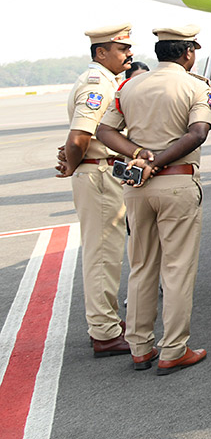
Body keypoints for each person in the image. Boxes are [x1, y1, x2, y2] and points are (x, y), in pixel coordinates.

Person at [96, 25, 211, 375]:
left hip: (137, 188)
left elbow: (103, 130)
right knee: (176, 269)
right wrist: (158, 161)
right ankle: (174, 349)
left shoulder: (129, 85)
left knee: (142, 266)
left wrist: (140, 154)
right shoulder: (194, 85)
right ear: (188, 53)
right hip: (175, 182)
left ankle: (139, 346)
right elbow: (198, 132)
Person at [56, 23, 134, 358]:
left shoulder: (103, 80)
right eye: (122, 49)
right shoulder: (98, 83)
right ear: (101, 52)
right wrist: (73, 162)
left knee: (103, 253)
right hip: (99, 175)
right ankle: (104, 332)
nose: (128, 54)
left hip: (97, 172)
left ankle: (105, 324)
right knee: (103, 255)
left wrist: (73, 156)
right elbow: (79, 137)